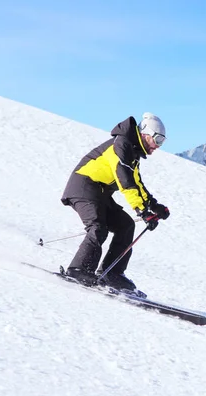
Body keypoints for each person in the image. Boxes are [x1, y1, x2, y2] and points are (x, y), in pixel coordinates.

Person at [60, 112, 170, 290]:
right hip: (83, 186)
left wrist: (153, 205)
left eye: (162, 142)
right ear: (145, 134)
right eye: (157, 140)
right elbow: (126, 182)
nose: (158, 146)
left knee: (125, 225)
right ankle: (78, 270)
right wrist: (142, 211)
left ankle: (112, 273)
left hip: (99, 192)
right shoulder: (121, 146)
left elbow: (136, 182)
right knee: (98, 227)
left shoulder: (131, 151)